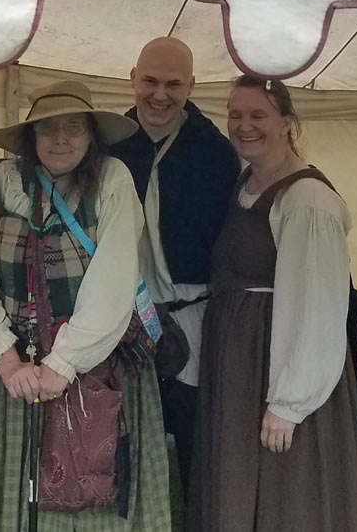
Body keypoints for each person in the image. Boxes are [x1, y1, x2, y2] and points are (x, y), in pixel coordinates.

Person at [0, 80, 172, 530]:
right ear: (30, 138)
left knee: (98, 495)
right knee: (20, 497)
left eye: (74, 128)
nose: (61, 139)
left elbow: (114, 278)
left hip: (97, 359)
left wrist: (64, 361)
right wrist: (8, 360)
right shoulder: (0, 184)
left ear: (92, 136)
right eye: (47, 129)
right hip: (18, 368)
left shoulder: (112, 180)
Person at [188, 76, 357, 532]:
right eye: (235, 115)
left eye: (258, 115)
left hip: (279, 370)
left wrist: (289, 404)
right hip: (239, 367)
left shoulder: (306, 199)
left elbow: (318, 309)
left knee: (287, 497)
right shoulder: (243, 184)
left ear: (287, 122)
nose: (244, 126)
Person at [111, 37, 239, 495]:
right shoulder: (108, 145)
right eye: (149, 81)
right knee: (121, 445)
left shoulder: (216, 154)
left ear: (191, 86)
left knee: (194, 445)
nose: (159, 94)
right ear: (132, 78)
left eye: (172, 84)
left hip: (194, 320)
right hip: (122, 319)